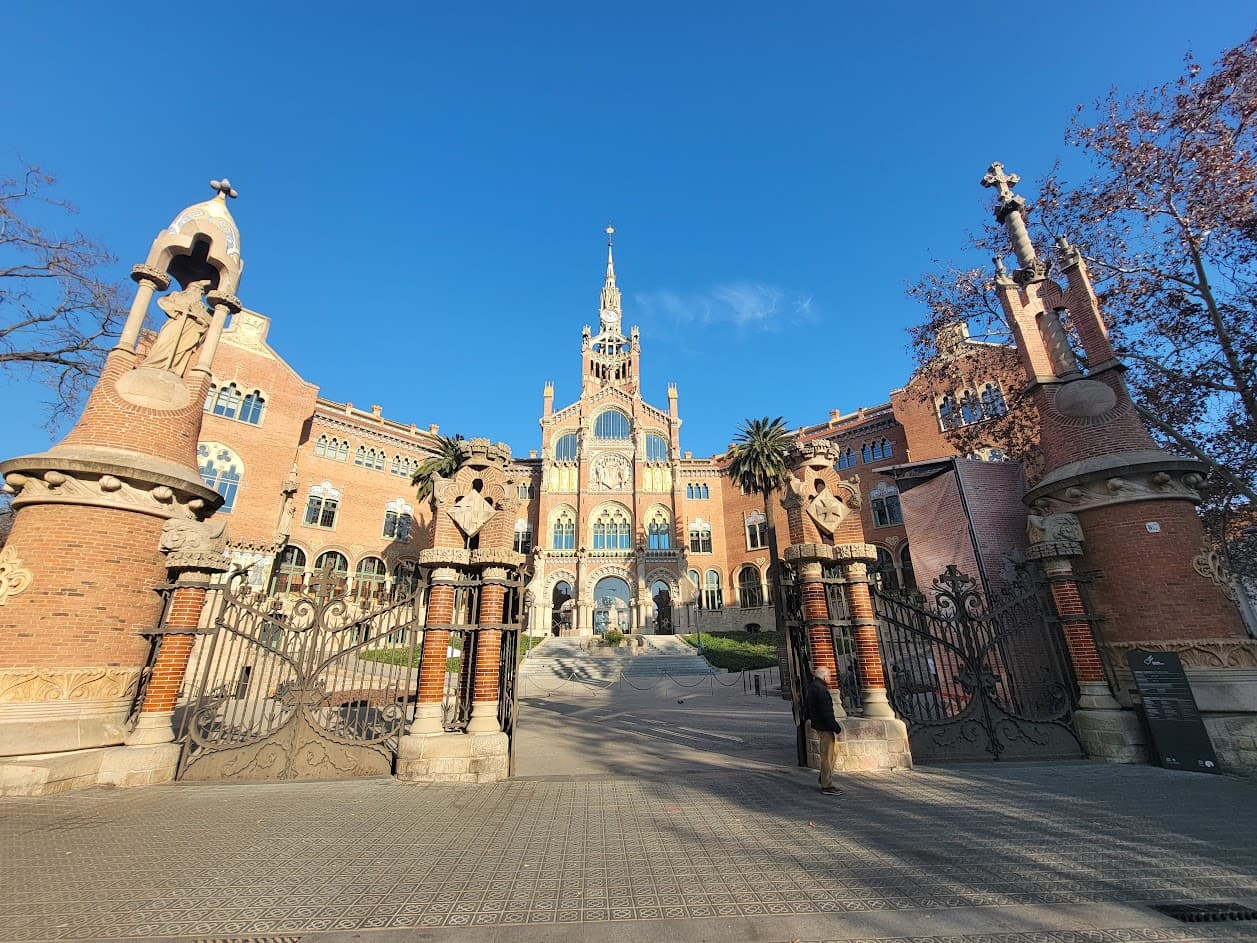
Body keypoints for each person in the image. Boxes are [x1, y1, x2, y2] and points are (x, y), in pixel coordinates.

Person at [805, 665, 843, 795]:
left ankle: (824, 777)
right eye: (830, 676)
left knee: (832, 753)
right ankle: (826, 785)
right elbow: (826, 712)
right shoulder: (821, 690)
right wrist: (836, 728)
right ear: (825, 676)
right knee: (827, 756)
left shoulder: (813, 686)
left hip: (819, 725)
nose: (831, 678)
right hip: (825, 727)